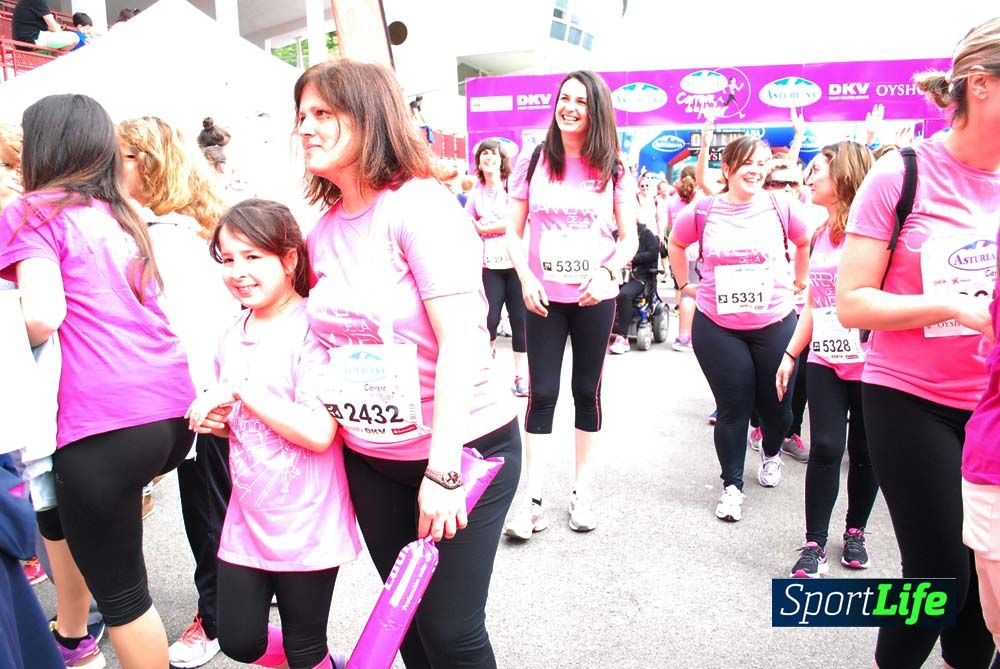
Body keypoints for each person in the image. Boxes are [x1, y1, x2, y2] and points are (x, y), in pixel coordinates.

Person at [294, 59, 520, 668]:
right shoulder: (321, 232)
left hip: (463, 452)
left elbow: (464, 342)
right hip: (373, 457)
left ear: (368, 119)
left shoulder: (420, 208)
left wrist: (444, 472)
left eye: (323, 114)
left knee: (450, 632)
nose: (306, 128)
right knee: (408, 623)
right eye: (302, 117)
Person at [0, 94, 195, 669]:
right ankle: (72, 638)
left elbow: (41, 313)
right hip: (168, 412)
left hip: (102, 420)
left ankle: (79, 642)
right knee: (117, 569)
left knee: (124, 596)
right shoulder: (118, 213)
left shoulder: (33, 210)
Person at [837, 17, 1000, 668]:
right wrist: (952, 305)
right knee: (938, 577)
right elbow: (852, 302)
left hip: (989, 405)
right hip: (909, 398)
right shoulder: (900, 174)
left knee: (983, 584)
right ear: (983, 86)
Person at [186, 199, 360, 669]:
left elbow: (320, 432)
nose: (238, 271)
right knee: (239, 640)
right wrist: (217, 422)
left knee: (304, 648)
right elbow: (243, 423)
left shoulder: (312, 326)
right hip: (247, 517)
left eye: (252, 257)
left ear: (289, 258)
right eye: (228, 260)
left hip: (307, 520)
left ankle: (319, 661)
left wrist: (242, 389)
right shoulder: (230, 331)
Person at [117, 115, 236, 669]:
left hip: (207, 396)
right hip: (222, 389)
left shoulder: (172, 236)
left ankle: (216, 619)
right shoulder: (189, 225)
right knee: (229, 502)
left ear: (153, 162)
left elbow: (190, 330)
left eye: (127, 155)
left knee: (209, 510)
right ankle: (247, 600)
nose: (116, 166)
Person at [502, 69, 637, 538]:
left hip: (593, 297)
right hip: (543, 298)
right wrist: (524, 277)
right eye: (565, 97)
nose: (570, 106)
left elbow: (630, 238)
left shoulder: (614, 165)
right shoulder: (534, 159)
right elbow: (512, 232)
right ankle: (533, 500)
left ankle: (582, 493)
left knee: (586, 392)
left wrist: (606, 273)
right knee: (542, 394)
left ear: (595, 109)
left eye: (581, 100)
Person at [667, 135, 810, 522]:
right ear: (727, 168)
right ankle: (732, 485)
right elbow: (676, 244)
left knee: (778, 410)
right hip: (718, 324)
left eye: (763, 163)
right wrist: (684, 285)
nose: (757, 170)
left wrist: (801, 280)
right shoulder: (704, 210)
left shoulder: (781, 205)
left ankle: (771, 450)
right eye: (748, 162)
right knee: (733, 407)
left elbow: (804, 239)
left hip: (776, 321)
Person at [774, 141, 879, 578]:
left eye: (818, 170)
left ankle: (855, 530)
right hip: (825, 359)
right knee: (827, 447)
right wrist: (789, 353)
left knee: (865, 451)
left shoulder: (876, 232)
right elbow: (814, 307)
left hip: (872, 362)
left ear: (845, 175)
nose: (810, 177)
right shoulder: (819, 234)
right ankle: (814, 542)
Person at [466, 138, 529, 396]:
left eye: (493, 154)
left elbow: (517, 221)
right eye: (484, 155)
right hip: (489, 267)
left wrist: (487, 228)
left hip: (515, 265)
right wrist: (479, 229)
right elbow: (467, 223)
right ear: (479, 162)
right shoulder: (475, 195)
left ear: (501, 159)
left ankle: (521, 377)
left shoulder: (511, 187)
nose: (488, 158)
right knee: (489, 320)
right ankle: (487, 372)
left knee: (520, 323)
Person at [609, 219, 659, 354]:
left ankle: (622, 337)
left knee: (624, 294)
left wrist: (633, 259)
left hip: (638, 276)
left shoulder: (645, 233)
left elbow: (653, 254)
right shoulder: (613, 235)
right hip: (614, 274)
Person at [11, 0, 79, 50]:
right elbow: (54, 27)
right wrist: (60, 32)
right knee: (74, 37)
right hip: (31, 40)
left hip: (23, 41)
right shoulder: (39, 1)